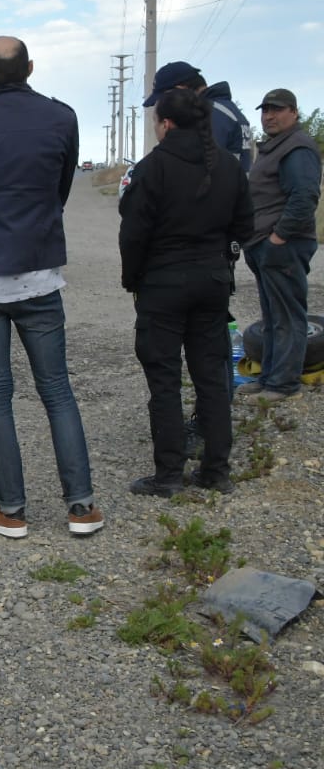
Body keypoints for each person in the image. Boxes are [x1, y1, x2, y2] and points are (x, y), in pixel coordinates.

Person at [0, 35, 102, 539]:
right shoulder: (62, 117)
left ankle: (10, 510)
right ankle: (82, 508)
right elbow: (60, 189)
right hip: (40, 273)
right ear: (30, 68)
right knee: (57, 390)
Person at [119, 89, 254, 497]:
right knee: (211, 378)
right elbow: (244, 227)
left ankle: (169, 475)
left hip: (162, 284)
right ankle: (216, 471)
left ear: (166, 124)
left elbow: (133, 234)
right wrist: (221, 260)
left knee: (164, 381)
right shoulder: (228, 167)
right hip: (212, 282)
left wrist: (133, 280)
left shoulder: (153, 168)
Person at [237, 89, 322, 402]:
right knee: (272, 316)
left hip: (283, 245)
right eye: (265, 110)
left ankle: (283, 385)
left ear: (294, 112)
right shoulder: (276, 147)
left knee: (287, 316)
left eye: (277, 110)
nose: (269, 116)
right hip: (264, 243)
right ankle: (268, 377)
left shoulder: (297, 147)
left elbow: (304, 198)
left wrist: (277, 238)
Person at [143, 61, 253, 172]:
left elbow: (198, 170)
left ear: (180, 90)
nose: (163, 105)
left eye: (164, 99)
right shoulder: (227, 110)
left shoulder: (209, 114)